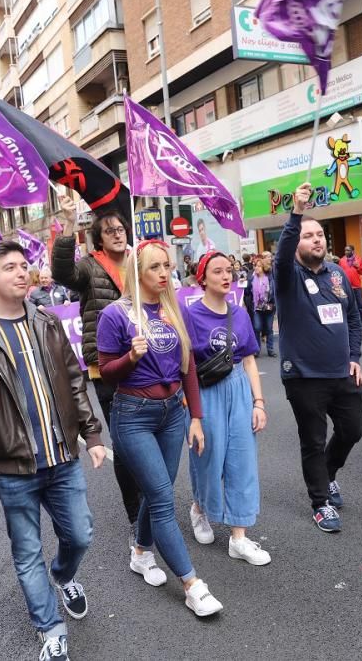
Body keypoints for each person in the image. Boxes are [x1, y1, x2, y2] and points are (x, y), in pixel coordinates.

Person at [0, 241, 104, 661]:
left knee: (80, 534)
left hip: (61, 456)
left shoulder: (48, 321)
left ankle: (63, 574)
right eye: (11, 267)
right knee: (26, 552)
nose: (22, 273)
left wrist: (92, 435)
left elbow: (74, 379)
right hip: (13, 465)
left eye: (25, 265)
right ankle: (50, 629)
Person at [96, 240, 223, 617]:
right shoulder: (116, 315)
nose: (165, 273)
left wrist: (195, 417)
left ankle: (140, 551)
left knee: (159, 492)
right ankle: (192, 584)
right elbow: (106, 372)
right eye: (155, 267)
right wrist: (130, 357)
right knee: (164, 500)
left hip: (172, 414)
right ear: (137, 273)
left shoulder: (173, 308)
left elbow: (189, 368)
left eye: (167, 265)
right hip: (133, 413)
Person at [52, 194, 144, 546]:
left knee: (148, 440)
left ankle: (155, 506)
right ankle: (136, 516)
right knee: (124, 445)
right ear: (99, 239)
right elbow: (62, 273)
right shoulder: (90, 266)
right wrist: (68, 224)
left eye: (121, 228)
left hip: (146, 364)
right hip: (106, 369)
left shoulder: (139, 262)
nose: (118, 234)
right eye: (109, 231)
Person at [274, 183, 362, 533]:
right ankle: (320, 502)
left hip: (342, 372)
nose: (317, 239)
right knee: (312, 438)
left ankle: (328, 474)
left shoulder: (338, 273)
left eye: (321, 234)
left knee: (352, 428)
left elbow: (354, 317)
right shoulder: (287, 276)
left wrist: (354, 356)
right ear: (297, 240)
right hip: (303, 376)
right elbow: (281, 257)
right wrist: (296, 213)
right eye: (308, 235)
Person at [182, 252, 271, 566]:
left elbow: (248, 359)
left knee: (242, 461)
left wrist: (258, 403)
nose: (225, 275)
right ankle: (200, 508)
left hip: (238, 389)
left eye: (229, 270)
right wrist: (188, 403)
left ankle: (239, 538)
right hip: (205, 391)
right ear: (202, 278)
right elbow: (184, 362)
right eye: (217, 271)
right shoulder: (189, 314)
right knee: (207, 458)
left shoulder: (241, 313)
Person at [249, 256, 276, 357]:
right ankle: (257, 350)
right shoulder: (252, 278)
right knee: (257, 327)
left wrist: (272, 301)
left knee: (269, 328)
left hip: (269, 306)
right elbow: (247, 292)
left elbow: (273, 291)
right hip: (257, 307)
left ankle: (270, 350)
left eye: (259, 266)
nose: (256, 268)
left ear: (263, 267)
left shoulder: (269, 277)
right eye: (255, 266)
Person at [340, 244, 362, 329]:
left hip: (357, 287)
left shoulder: (358, 259)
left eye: (348, 250)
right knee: (347, 306)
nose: (346, 252)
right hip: (346, 287)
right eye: (345, 250)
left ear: (353, 251)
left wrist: (358, 266)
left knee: (361, 306)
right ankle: (350, 325)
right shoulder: (342, 261)